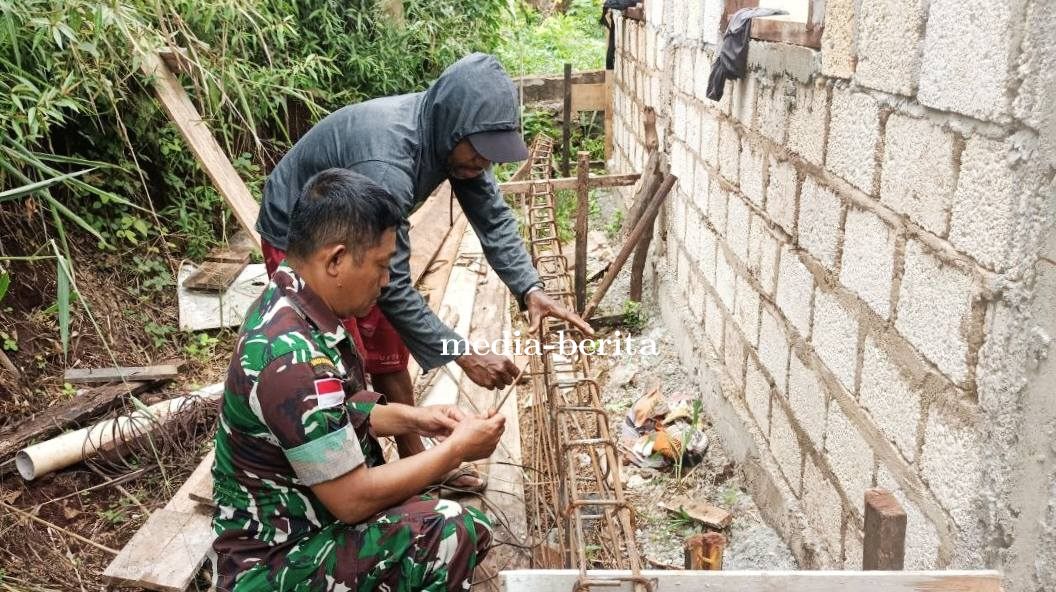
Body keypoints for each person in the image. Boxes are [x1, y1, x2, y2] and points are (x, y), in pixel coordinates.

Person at [256, 53, 593, 489]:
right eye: (481, 153)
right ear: (453, 127)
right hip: (297, 234)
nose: (485, 165)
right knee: (338, 358)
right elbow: (393, 285)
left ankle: (414, 463)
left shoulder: (457, 145)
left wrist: (529, 288)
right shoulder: (388, 166)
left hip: (360, 232)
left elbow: (492, 217)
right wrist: (462, 353)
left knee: (386, 343)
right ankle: (350, 479)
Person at [212, 169, 505, 591]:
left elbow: (337, 410)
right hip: (273, 563)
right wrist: (457, 450)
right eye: (381, 266)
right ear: (336, 260)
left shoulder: (294, 304)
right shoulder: (291, 356)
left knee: (464, 527)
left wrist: (416, 419)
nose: (386, 281)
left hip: (303, 525)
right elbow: (352, 500)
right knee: (449, 530)